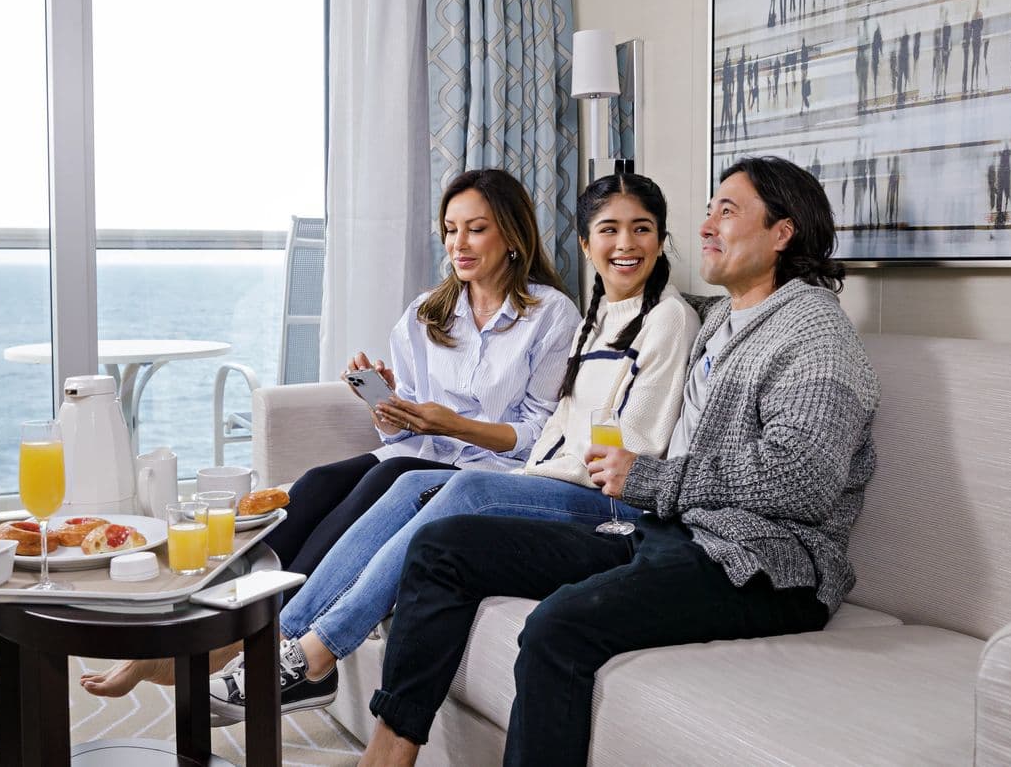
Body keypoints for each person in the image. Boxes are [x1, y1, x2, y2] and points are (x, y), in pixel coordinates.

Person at [357, 156, 882, 767]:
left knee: (558, 628)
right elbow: (634, 314)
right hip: (673, 535)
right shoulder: (723, 320)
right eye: (708, 209)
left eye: (727, 211)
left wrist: (651, 478)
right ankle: (388, 754)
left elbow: (805, 480)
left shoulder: (815, 335)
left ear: (782, 233)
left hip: (764, 567)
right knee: (442, 547)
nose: (706, 225)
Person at [206, 172, 702, 723]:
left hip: (606, 498)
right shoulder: (596, 316)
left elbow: (632, 447)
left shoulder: (665, 318)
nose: (626, 244)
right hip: (544, 476)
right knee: (397, 480)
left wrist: (513, 464)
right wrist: (394, 409)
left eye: (641, 229)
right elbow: (564, 424)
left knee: (449, 484)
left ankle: (317, 651)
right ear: (586, 244)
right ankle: (284, 641)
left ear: (662, 238)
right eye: (609, 230)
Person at [81, 168, 580, 698]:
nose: (459, 243)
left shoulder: (551, 315)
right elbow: (400, 433)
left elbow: (541, 435)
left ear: (512, 234)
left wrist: (453, 423)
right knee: (314, 485)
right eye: (450, 229)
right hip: (421, 452)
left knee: (373, 487)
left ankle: (243, 645)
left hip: (487, 471)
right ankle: (207, 624)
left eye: (476, 229)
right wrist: (386, 406)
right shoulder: (427, 314)